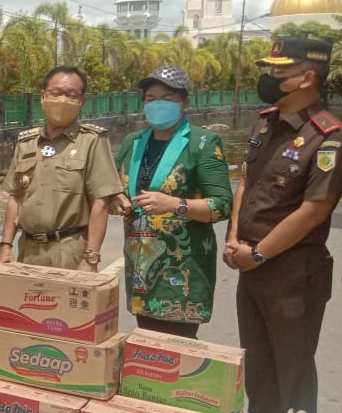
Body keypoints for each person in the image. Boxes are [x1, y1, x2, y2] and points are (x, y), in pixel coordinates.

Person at [225, 37, 339, 413]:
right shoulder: (265, 124)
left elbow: (314, 210)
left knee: (293, 375)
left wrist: (257, 253)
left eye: (279, 72)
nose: (270, 78)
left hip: (292, 272)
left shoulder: (328, 136)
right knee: (257, 370)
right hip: (250, 264)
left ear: (307, 78)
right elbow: (245, 180)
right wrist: (233, 238)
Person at [109, 66, 232, 338]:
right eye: (151, 99)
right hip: (140, 264)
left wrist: (175, 204)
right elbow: (110, 185)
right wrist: (116, 198)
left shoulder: (202, 142)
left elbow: (222, 204)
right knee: (148, 341)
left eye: (167, 98)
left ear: (185, 103)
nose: (157, 105)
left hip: (183, 268)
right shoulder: (134, 142)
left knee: (177, 347)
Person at [0, 66, 121, 272]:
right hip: (27, 250)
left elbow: (100, 202)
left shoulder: (91, 141)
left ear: (81, 101)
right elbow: (15, 198)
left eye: (71, 95)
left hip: (70, 250)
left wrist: (91, 258)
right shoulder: (27, 142)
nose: (62, 100)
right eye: (56, 94)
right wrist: (5, 246)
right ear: (43, 96)